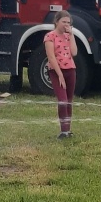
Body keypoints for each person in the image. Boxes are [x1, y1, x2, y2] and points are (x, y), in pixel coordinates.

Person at [44, 11, 79, 139]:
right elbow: (51, 57)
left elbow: (74, 52)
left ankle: (68, 130)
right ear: (56, 21)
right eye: (64, 22)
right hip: (56, 71)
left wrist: (72, 34)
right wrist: (60, 75)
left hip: (70, 70)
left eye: (68, 22)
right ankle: (63, 131)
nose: (66, 24)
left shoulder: (68, 36)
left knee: (69, 101)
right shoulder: (50, 36)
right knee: (62, 100)